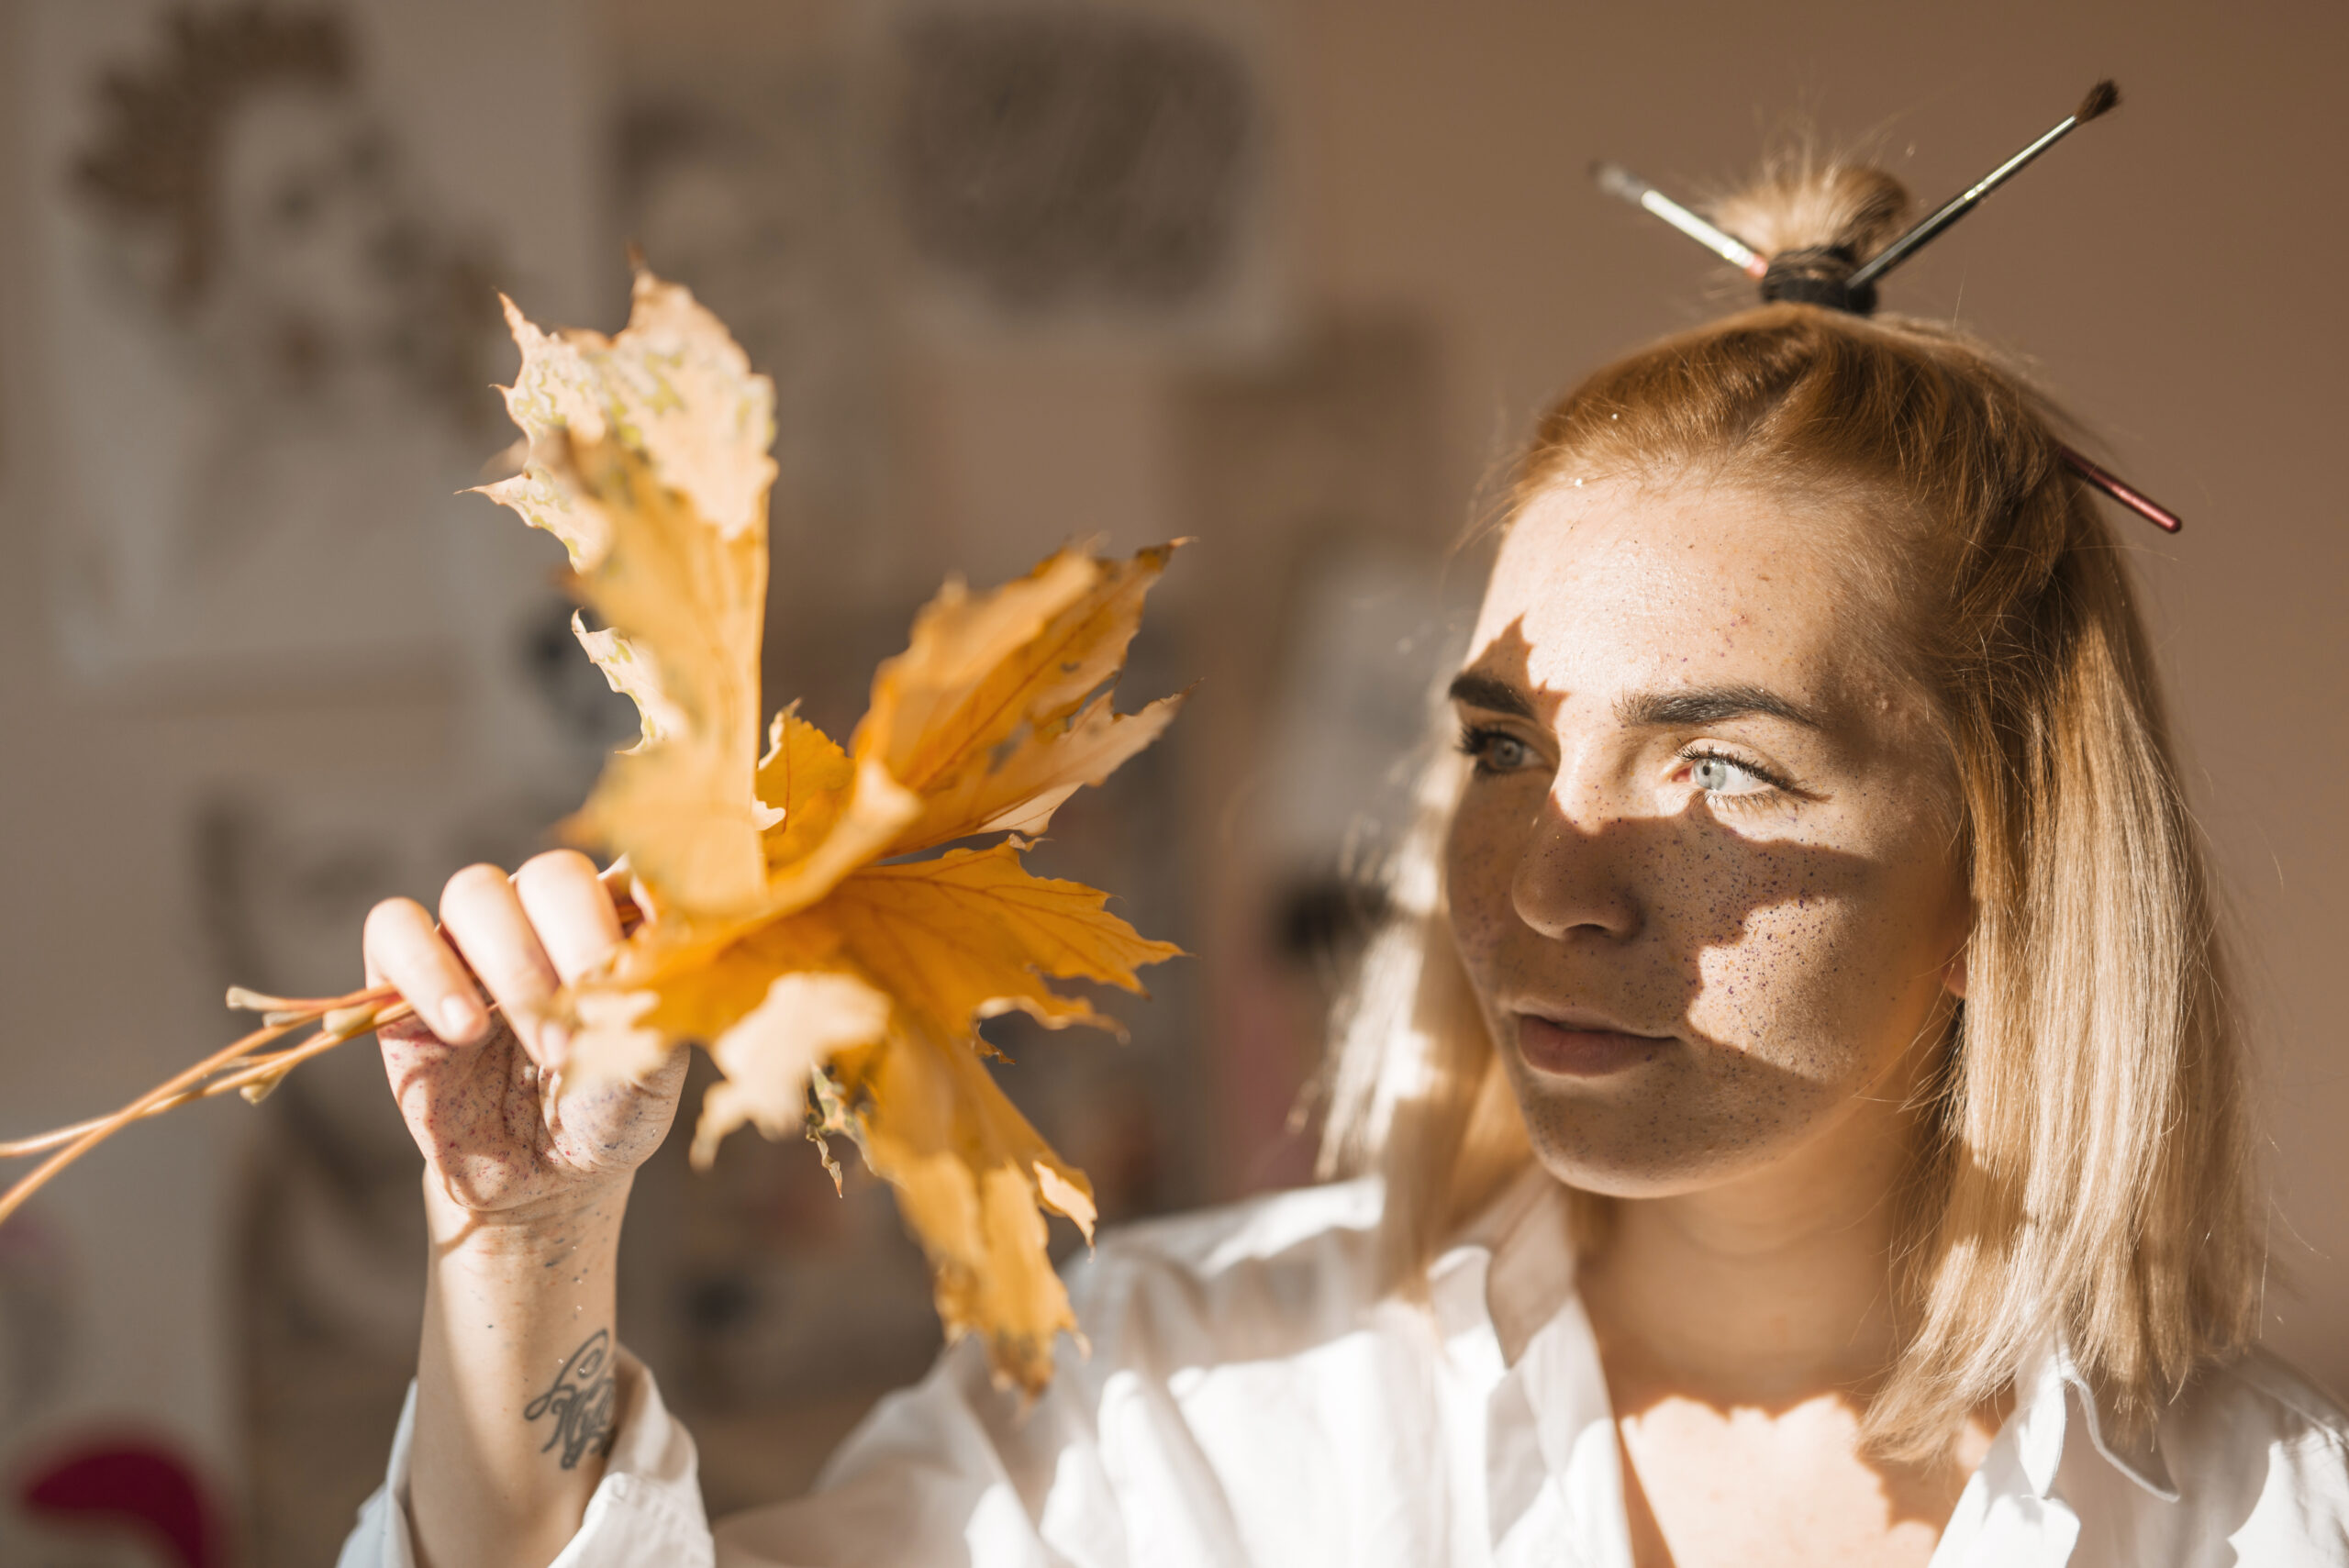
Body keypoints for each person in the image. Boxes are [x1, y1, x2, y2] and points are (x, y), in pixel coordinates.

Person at [338, 160, 2349, 1568]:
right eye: (1503, 745)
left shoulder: (2265, 1522)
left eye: (1723, 768)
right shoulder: (1181, 1410)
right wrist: (523, 1257)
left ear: (2000, 887)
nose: (1544, 873)